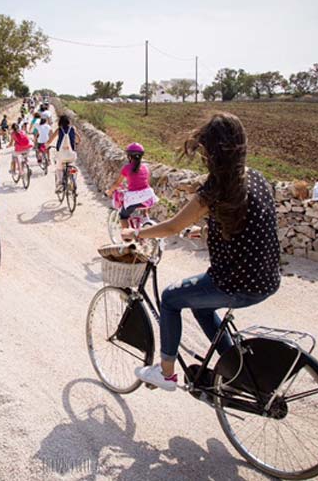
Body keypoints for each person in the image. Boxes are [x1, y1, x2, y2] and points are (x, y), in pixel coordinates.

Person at [127, 113, 281, 392]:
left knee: (171, 298)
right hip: (267, 279)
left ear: (211, 151)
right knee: (202, 307)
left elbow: (172, 226)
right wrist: (209, 231)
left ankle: (166, 373)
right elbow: (247, 223)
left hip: (236, 283)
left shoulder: (216, 189)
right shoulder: (255, 178)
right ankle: (238, 371)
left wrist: (138, 233)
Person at [105, 142, 158, 228]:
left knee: (123, 215)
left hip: (134, 198)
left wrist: (109, 192)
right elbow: (144, 183)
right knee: (144, 205)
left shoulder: (127, 168)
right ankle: (146, 221)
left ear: (129, 156)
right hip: (149, 196)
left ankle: (127, 237)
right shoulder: (145, 167)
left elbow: (117, 184)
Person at [49, 114, 79, 192]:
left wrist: (46, 145)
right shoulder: (73, 129)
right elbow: (78, 140)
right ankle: (73, 182)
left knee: (59, 168)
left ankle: (60, 184)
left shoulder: (59, 130)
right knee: (73, 168)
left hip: (61, 155)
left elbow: (50, 140)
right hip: (71, 154)